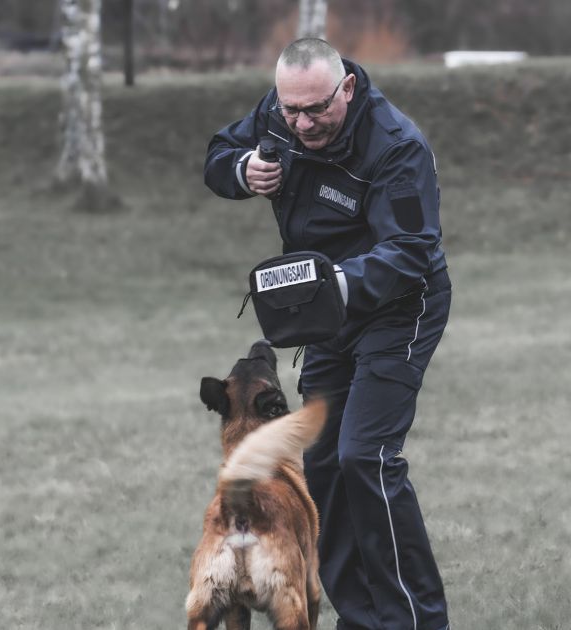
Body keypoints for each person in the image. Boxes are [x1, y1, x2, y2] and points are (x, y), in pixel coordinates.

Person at [203, 38, 452, 630]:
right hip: (324, 313)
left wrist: (337, 282)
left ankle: (415, 620)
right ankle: (362, 619)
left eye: (316, 110)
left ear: (346, 88)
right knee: (323, 467)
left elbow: (412, 250)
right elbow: (218, 155)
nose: (302, 123)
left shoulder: (395, 145)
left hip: (397, 307)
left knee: (366, 457)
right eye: (291, 111)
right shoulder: (279, 113)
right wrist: (243, 170)